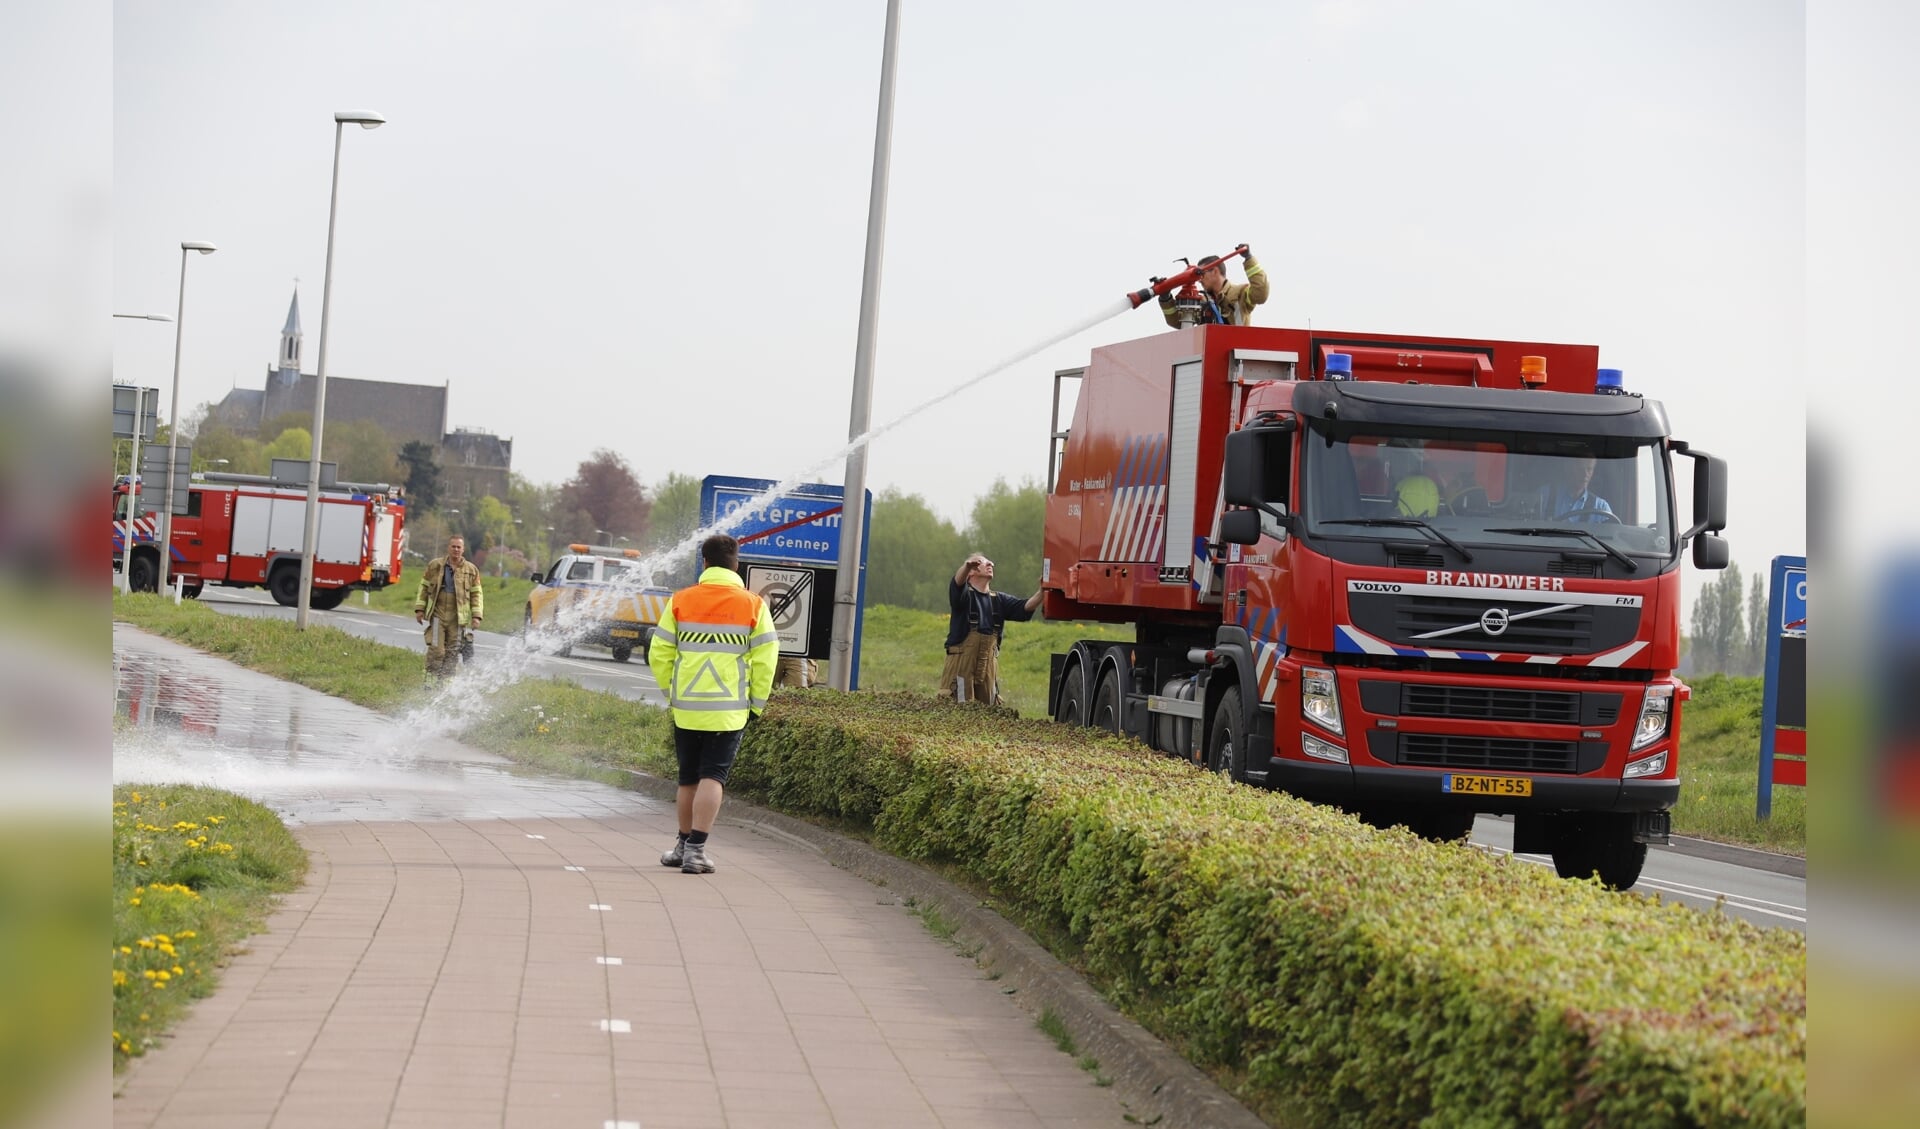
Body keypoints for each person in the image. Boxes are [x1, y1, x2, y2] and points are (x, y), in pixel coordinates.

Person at [649, 534, 778, 875]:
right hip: (729, 709)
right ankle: (696, 851)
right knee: (713, 776)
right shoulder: (753, 605)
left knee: (688, 778)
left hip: (687, 705)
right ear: (737, 565)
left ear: (704, 563)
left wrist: (671, 692)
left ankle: (680, 844)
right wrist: (757, 704)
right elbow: (767, 657)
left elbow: (659, 652)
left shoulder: (681, 600)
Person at [939, 554, 1042, 705]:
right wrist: (967, 566)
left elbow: (1024, 607)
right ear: (972, 572)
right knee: (959, 708)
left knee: (989, 712)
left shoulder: (998, 600)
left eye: (990, 563)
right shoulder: (963, 596)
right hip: (961, 668)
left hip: (988, 670)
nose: (990, 565)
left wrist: (1042, 592)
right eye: (983, 562)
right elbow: (957, 583)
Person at [413, 535, 482, 678]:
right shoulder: (435, 565)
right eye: (453, 546)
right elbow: (424, 587)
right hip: (438, 616)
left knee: (452, 652)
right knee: (437, 650)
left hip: (457, 619)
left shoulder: (471, 570)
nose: (456, 549)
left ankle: (445, 684)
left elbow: (477, 594)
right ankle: (430, 682)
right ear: (448, 548)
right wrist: (420, 609)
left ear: (463, 550)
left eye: (459, 547)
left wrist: (476, 617)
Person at [1159, 245, 1270, 328]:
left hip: (1236, 356)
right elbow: (1178, 322)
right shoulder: (1201, 301)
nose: (1199, 280)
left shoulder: (1240, 293)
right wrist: (1166, 298)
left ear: (1215, 271)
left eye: (1202, 274)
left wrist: (1249, 259)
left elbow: (1261, 295)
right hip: (1209, 355)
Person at [1543, 456, 1615, 522]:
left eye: (1589, 469)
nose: (1585, 474)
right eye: (1580, 469)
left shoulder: (1601, 508)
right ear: (1568, 468)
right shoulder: (1545, 495)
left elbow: (1611, 533)